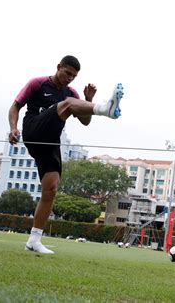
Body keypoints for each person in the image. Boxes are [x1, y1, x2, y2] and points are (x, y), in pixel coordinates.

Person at [8, 55, 123, 254]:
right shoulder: (37, 83)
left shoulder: (71, 92)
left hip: (51, 141)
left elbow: (85, 122)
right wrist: (13, 128)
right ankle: (106, 109)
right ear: (59, 67)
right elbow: (15, 106)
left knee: (50, 189)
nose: (70, 78)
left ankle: (34, 240)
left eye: (74, 76)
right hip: (34, 129)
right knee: (68, 103)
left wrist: (87, 101)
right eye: (67, 73)